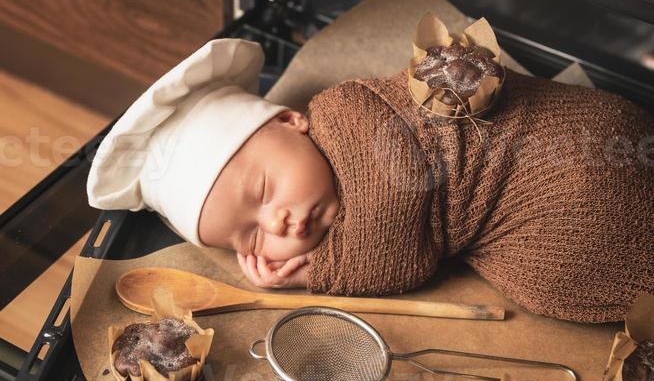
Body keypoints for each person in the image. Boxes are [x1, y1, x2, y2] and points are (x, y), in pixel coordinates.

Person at [88, 36, 654, 322]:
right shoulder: (326, 162)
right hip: (600, 139)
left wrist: (318, 273)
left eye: (261, 193)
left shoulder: (353, 113)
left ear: (290, 121)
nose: (277, 222)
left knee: (552, 273)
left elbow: (400, 244)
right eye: (250, 239)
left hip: (570, 178)